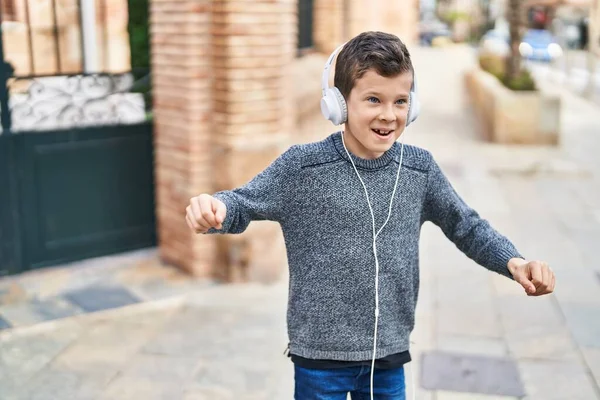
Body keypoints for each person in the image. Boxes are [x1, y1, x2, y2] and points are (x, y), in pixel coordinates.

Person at [185, 31, 555, 400]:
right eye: (373, 99)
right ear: (339, 104)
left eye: (400, 102)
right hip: (319, 358)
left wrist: (513, 261)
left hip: (389, 354)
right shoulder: (303, 167)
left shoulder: (419, 170)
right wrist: (215, 209)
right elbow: (243, 202)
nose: (388, 115)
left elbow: (466, 226)